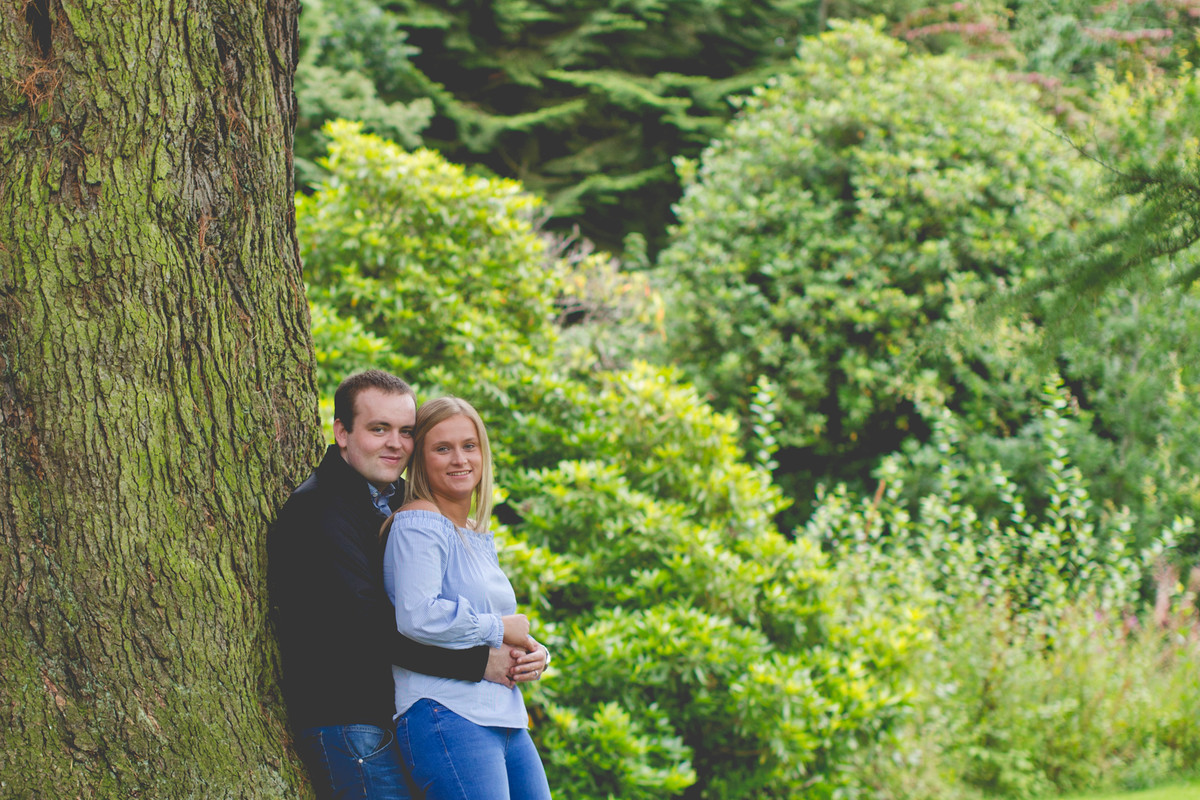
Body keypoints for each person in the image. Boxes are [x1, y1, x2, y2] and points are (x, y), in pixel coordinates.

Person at [269, 371, 546, 800]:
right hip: (348, 720)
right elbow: (371, 628)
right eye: (379, 429)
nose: (395, 443)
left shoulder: (395, 502)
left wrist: (522, 649)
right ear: (342, 432)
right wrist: (481, 662)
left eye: (405, 431)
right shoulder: (320, 510)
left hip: (390, 715)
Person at [383, 396, 552, 800]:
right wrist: (499, 628)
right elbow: (417, 615)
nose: (459, 459)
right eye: (442, 448)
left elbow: (497, 625)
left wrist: (533, 653)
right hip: (447, 712)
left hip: (505, 717)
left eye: (468, 446)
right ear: (420, 460)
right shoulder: (418, 522)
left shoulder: (473, 534)